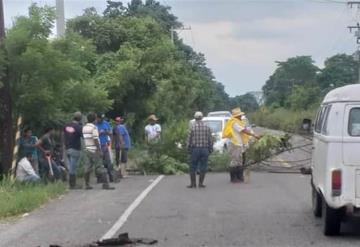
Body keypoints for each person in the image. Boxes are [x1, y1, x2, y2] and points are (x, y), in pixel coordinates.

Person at [225, 107, 260, 183]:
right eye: (240, 115)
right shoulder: (234, 122)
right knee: (235, 161)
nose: (241, 116)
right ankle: (233, 178)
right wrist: (254, 135)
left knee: (239, 161)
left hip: (239, 144)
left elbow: (246, 130)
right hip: (235, 144)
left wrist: (252, 136)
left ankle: (239, 177)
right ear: (236, 116)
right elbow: (244, 130)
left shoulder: (238, 121)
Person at [83, 113, 114, 190]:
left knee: (88, 167)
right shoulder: (94, 128)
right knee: (100, 167)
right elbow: (96, 139)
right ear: (94, 119)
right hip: (94, 150)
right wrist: (99, 150)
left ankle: (87, 184)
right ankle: (105, 184)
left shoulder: (84, 127)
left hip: (87, 149)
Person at [186, 111, 213, 188]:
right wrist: (210, 148)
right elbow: (210, 139)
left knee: (192, 167)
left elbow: (189, 139)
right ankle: (201, 184)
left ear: (195, 118)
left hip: (195, 149)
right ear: (202, 118)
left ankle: (193, 184)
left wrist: (188, 148)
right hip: (205, 149)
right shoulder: (207, 127)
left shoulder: (192, 127)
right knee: (203, 166)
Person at [63, 112, 83, 189]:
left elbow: (63, 134)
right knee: (73, 167)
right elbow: (82, 136)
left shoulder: (66, 125)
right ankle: (72, 185)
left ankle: (71, 183)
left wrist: (64, 145)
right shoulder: (78, 127)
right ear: (80, 118)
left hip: (67, 148)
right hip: (75, 148)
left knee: (70, 166)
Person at [96, 113, 116, 182]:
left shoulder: (106, 123)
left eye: (102, 119)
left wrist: (106, 132)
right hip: (97, 146)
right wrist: (99, 132)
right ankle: (99, 178)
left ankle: (111, 177)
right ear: (97, 118)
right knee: (99, 163)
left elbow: (111, 132)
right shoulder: (95, 125)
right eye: (100, 118)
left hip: (105, 145)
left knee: (108, 162)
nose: (101, 120)